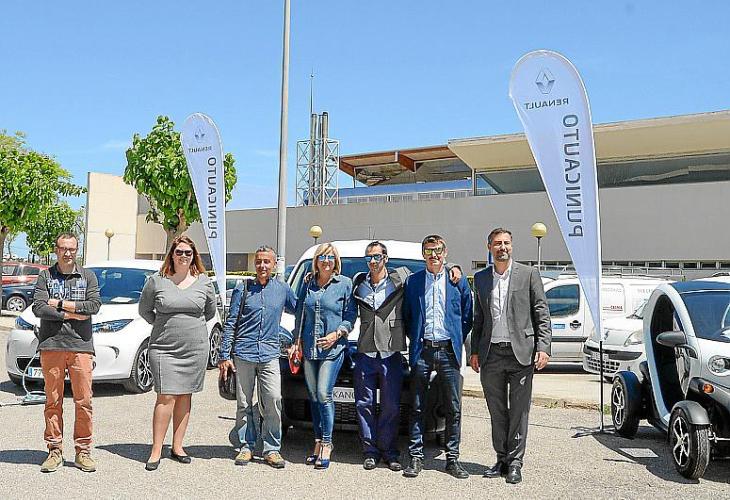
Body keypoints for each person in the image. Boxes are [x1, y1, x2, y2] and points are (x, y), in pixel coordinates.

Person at [470, 228, 552, 484]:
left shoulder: (528, 274)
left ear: (512, 246)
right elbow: (479, 318)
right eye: (497, 243)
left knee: (519, 411)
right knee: (497, 411)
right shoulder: (481, 278)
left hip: (521, 354)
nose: (502, 247)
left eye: (506, 243)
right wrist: (474, 351)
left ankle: (515, 462)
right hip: (491, 354)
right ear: (489, 247)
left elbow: (542, 313)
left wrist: (543, 347)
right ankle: (501, 459)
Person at [138, 235, 217, 471]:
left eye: (188, 253)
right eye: (179, 252)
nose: (183, 256)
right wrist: (164, 325)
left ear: (194, 256)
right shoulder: (157, 281)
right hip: (164, 348)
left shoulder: (204, 282)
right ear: (172, 254)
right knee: (166, 396)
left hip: (194, 349)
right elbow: (145, 310)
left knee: (185, 395)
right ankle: (156, 450)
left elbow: (209, 311)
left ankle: (178, 446)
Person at [218, 245, 296, 469]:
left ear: (274, 265)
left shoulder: (282, 289)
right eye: (259, 261)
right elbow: (231, 322)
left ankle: (271, 449)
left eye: (266, 262)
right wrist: (225, 354)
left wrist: (296, 341)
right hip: (244, 353)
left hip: (270, 354)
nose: (262, 265)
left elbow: (301, 310)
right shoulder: (243, 289)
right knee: (244, 402)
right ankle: (246, 446)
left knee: (273, 399)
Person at [402, 234, 473, 479]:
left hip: (448, 351)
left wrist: (454, 337)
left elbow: (467, 316)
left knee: (453, 407)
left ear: (445, 252)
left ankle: (452, 459)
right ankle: (416, 457)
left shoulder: (457, 281)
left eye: (438, 250)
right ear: (423, 254)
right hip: (422, 350)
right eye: (429, 251)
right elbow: (408, 316)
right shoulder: (413, 282)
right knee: (417, 405)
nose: (434, 255)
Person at [33, 232, 101, 473]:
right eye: (63, 248)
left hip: (81, 345)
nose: (68, 253)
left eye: (72, 249)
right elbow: (39, 307)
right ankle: (54, 450)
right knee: (53, 400)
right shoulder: (45, 276)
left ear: (77, 250)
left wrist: (59, 304)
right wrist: (72, 314)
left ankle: (83, 451)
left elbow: (93, 306)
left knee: (84, 401)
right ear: (56, 250)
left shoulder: (88, 276)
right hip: (52, 345)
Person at [290, 242, 355, 470]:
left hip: (333, 349)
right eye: (322, 257)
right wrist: (296, 342)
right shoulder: (307, 283)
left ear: (336, 261)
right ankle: (317, 442)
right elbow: (300, 313)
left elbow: (350, 315)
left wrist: (337, 334)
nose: (326, 261)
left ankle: (327, 443)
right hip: (309, 348)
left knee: (323, 393)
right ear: (316, 261)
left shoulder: (345, 284)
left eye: (330, 257)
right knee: (313, 396)